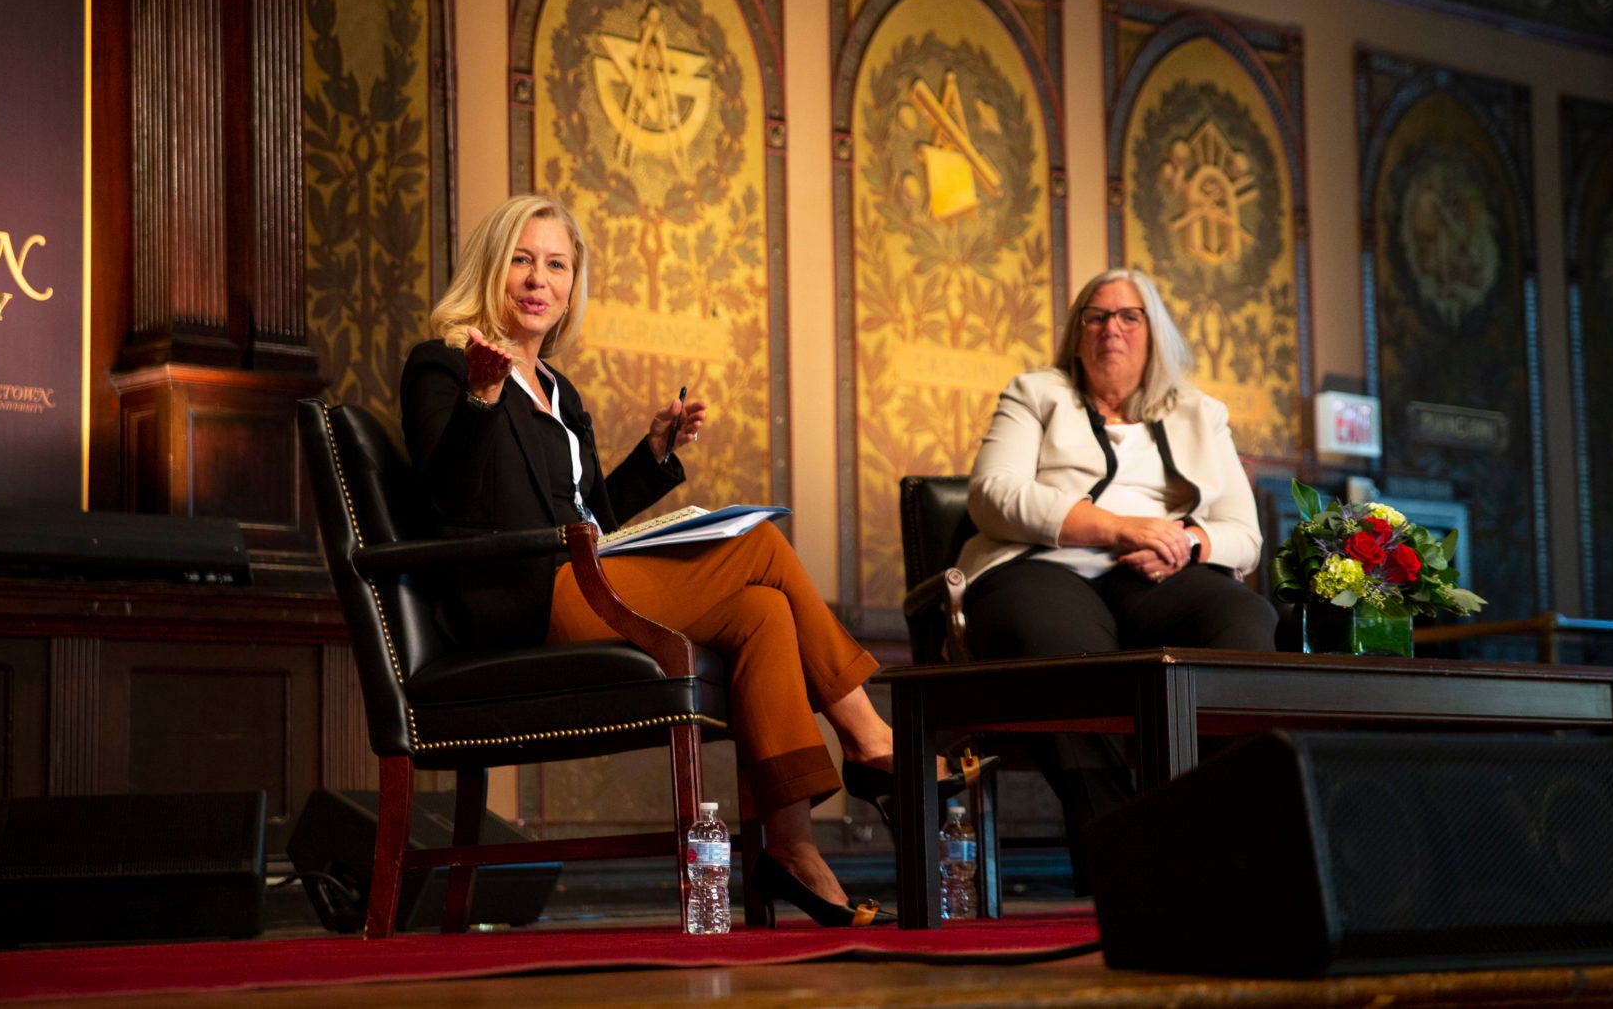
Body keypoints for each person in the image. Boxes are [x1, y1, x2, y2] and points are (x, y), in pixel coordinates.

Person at [401, 194, 982, 928]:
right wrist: (482, 397)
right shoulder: (442, 366)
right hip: (515, 602)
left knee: (763, 610)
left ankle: (791, 846)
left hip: (583, 577)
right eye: (521, 259)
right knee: (762, 546)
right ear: (491, 266)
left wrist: (653, 457)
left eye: (556, 264)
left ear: (573, 284)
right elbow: (443, 498)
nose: (537, 278)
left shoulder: (558, 389)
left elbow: (593, 523)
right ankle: (869, 736)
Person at [954, 267, 1279, 893]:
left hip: (1156, 575)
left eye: (1129, 317)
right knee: (1063, 647)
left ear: (1154, 335)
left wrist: (1187, 540)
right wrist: (1116, 527)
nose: (1112, 330)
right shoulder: (1036, 392)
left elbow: (1244, 532)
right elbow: (992, 494)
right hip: (1039, 566)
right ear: (1077, 336)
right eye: (1096, 317)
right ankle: (1128, 860)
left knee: (1242, 619)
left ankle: (1208, 842)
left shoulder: (1199, 413)